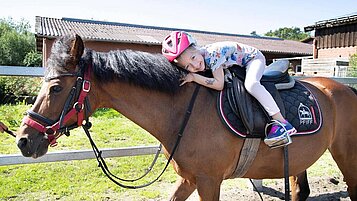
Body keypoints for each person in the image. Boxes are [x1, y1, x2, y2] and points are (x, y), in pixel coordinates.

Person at [161, 31, 296, 148]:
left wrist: (193, 77)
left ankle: (282, 122)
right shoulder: (202, 59)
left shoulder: (212, 55)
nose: (195, 65)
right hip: (238, 62)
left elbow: (219, 84)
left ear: (197, 48)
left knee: (252, 85)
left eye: (193, 58)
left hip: (253, 59)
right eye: (188, 66)